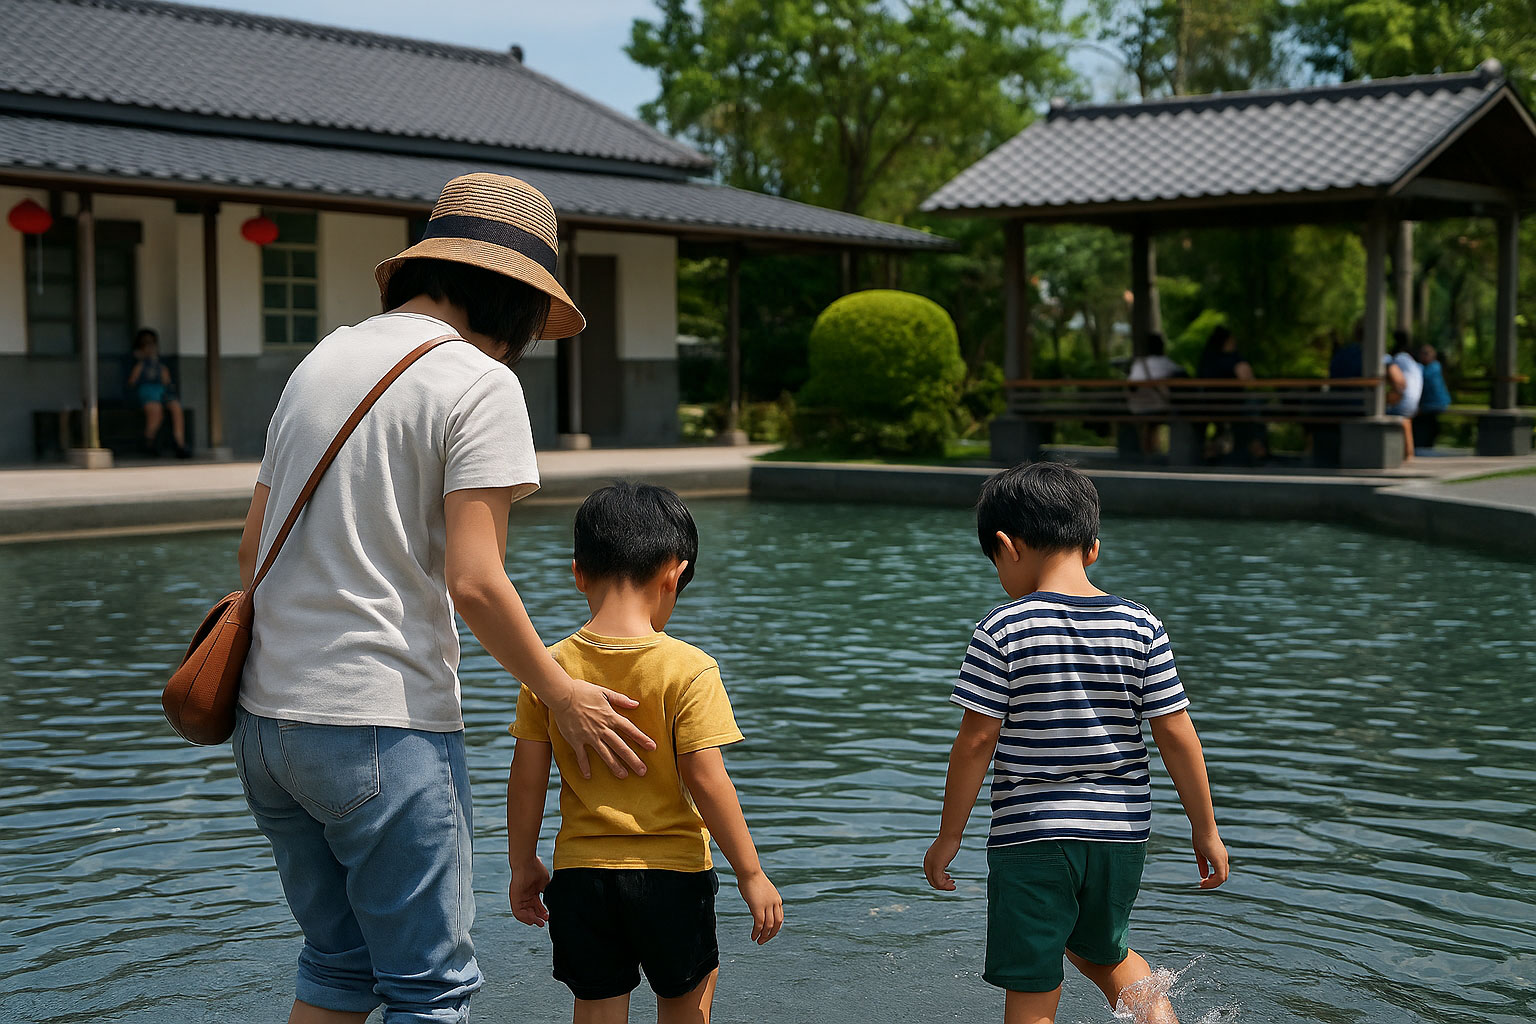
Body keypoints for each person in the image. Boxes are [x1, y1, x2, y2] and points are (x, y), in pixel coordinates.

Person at [232, 174, 655, 1024]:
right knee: (432, 990)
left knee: (337, 965)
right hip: (382, 727)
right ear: (519, 298)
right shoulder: (479, 382)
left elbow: (251, 549)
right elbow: (476, 578)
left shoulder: (324, 357)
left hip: (267, 727)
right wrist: (561, 691)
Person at [923, 462, 1229, 1024]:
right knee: (1103, 951)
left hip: (1034, 836)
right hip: (1121, 833)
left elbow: (975, 741)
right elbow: (1176, 733)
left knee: (1034, 981)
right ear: (1092, 548)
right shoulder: (1141, 624)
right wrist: (1205, 828)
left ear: (1005, 546)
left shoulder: (1003, 628)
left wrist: (948, 838)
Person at [507, 482, 782, 1024]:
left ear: (578, 572)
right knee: (686, 1004)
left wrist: (523, 864)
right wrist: (751, 873)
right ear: (673, 575)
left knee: (596, 1011)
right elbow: (708, 780)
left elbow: (526, 778)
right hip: (672, 873)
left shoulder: (547, 668)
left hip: (582, 875)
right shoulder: (688, 668)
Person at [1197, 325, 1266, 463]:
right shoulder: (1233, 359)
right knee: (1252, 411)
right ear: (1228, 341)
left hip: (1208, 406)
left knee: (1241, 417)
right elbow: (1249, 380)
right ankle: (1257, 450)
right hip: (1234, 406)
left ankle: (1213, 450)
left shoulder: (1206, 359)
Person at [127, 328, 190, 457]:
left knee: (176, 408)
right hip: (146, 393)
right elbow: (132, 382)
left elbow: (167, 382)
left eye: (152, 344)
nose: (150, 348)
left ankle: (179, 442)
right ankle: (149, 440)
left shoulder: (160, 364)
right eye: (146, 345)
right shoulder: (137, 363)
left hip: (161, 391)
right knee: (155, 411)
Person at [1126, 332, 1184, 454]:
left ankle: (1147, 449)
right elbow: (1183, 374)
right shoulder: (1166, 363)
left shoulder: (1139, 364)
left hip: (1138, 407)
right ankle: (1154, 449)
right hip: (1159, 406)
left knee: (1150, 424)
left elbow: (1131, 385)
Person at [1384, 331, 1423, 463]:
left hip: (1403, 404)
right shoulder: (1411, 360)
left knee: (1376, 408)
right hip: (1414, 405)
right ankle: (1408, 452)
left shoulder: (1395, 359)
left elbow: (1399, 382)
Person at [1415, 343, 1451, 451]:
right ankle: (1425, 443)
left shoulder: (1432, 368)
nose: (1421, 357)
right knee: (1427, 421)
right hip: (1432, 404)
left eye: (1424, 354)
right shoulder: (1434, 367)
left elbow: (1423, 379)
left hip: (1434, 404)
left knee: (1423, 420)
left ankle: (1423, 444)